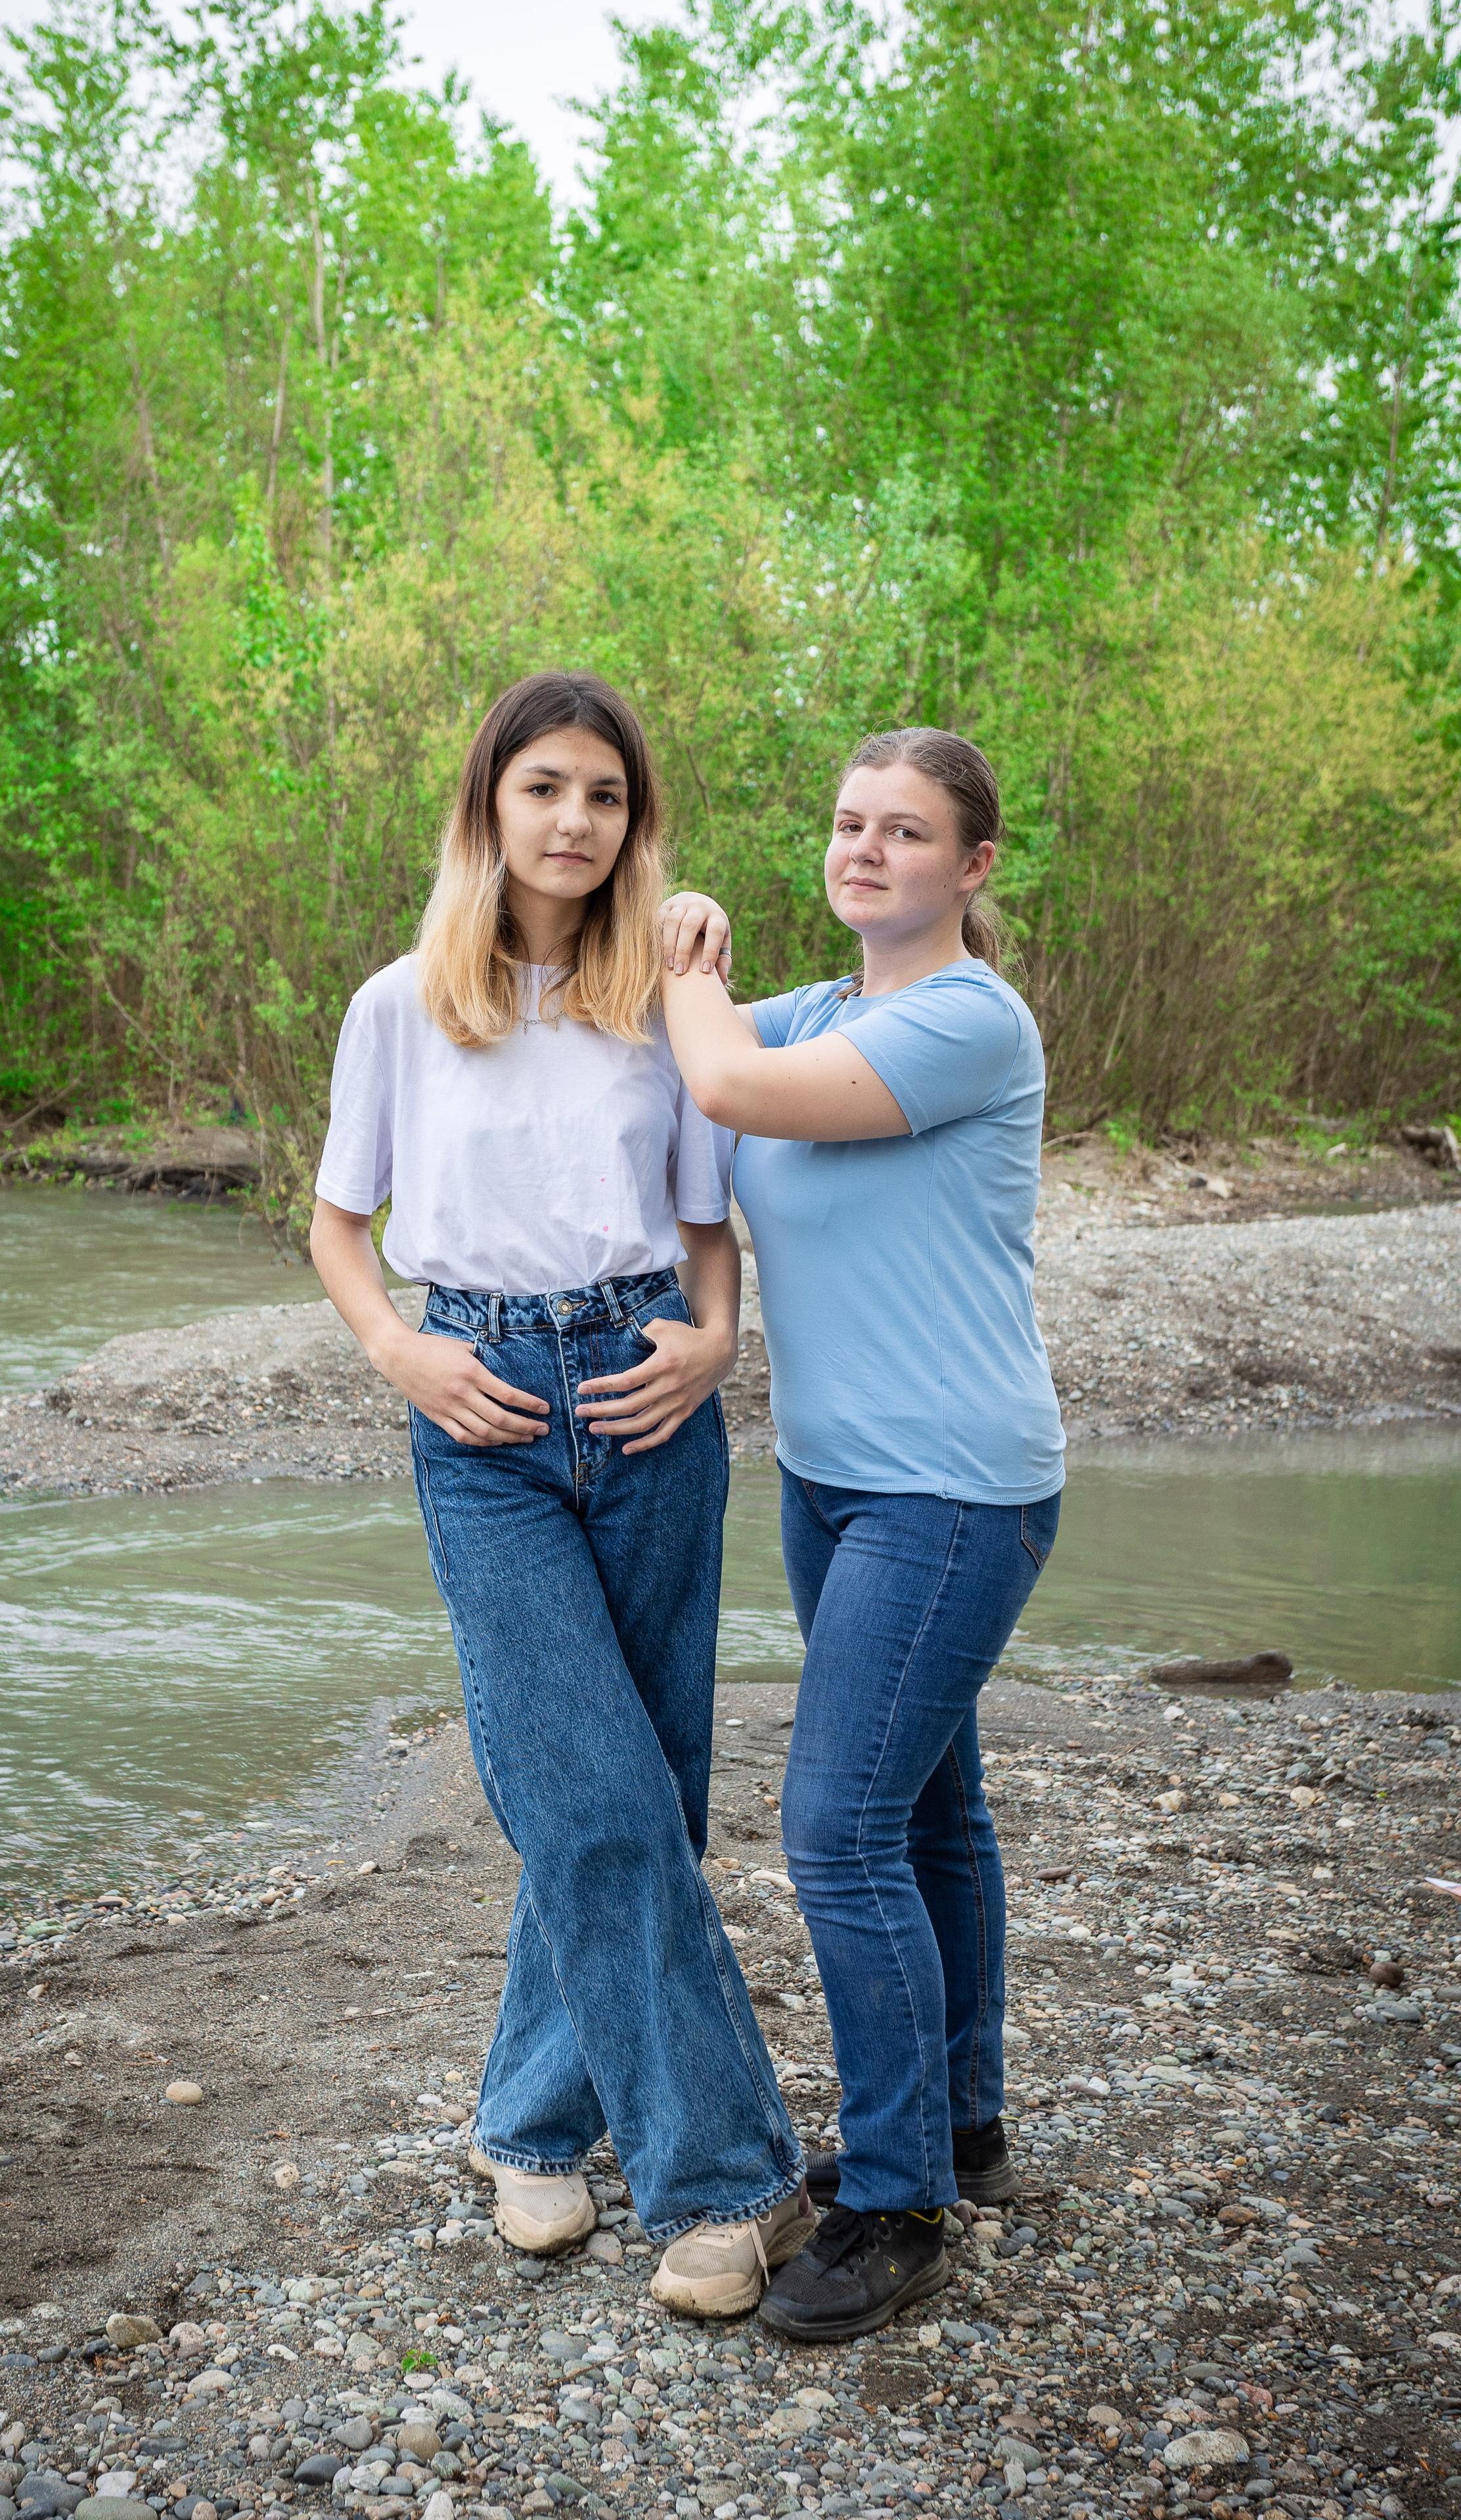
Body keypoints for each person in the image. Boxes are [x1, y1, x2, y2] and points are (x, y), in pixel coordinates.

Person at [307, 669, 814, 2320]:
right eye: (544, 788)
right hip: (482, 1414)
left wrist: (713, 1345)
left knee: (642, 1790)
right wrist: (402, 1352)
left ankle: (528, 2122)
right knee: (587, 1797)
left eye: (605, 794)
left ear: (632, 820)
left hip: (647, 1396)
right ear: (488, 805)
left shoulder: (663, 1000)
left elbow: (708, 1230)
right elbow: (338, 1226)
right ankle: (729, 2182)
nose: (574, 820)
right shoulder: (400, 1004)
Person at [656, 726, 1066, 2343]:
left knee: (834, 1833)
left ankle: (896, 2202)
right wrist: (668, 925)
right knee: (930, 1815)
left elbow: (718, 1081)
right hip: (831, 1483)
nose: (864, 850)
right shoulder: (822, 1009)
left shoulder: (969, 1019)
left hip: (950, 1490)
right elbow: (657, 1041)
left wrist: (689, 958)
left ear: (971, 865)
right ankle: (961, 2125)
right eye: (846, 824)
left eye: (903, 830)